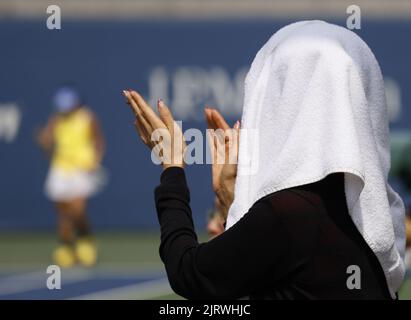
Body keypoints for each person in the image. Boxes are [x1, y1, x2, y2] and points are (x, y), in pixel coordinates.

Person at [123, 21, 405, 299]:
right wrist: (233, 201)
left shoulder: (289, 213)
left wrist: (172, 166)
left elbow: (189, 272)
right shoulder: (375, 215)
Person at [37, 86, 105, 268]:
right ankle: (66, 247)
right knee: (64, 214)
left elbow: (98, 141)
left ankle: (85, 242)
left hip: (81, 169)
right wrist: (45, 142)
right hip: (60, 168)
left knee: (77, 210)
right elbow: (49, 146)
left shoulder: (88, 118)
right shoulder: (55, 120)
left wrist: (95, 160)